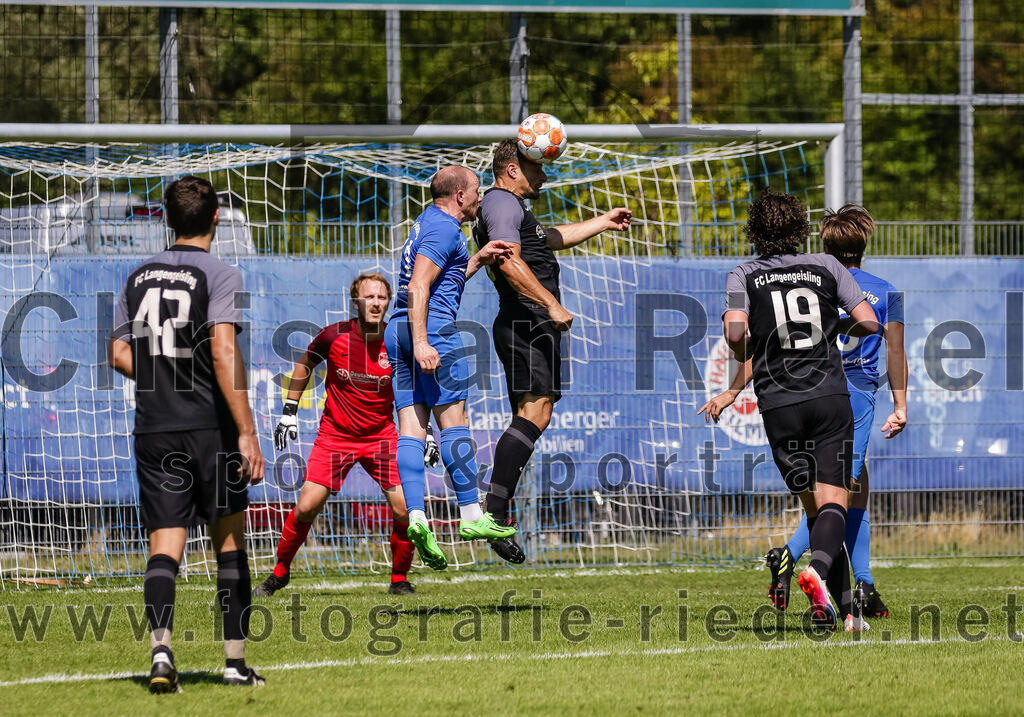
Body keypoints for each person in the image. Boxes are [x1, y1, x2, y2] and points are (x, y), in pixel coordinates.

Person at [701, 205, 907, 617]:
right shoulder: (839, 273)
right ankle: (812, 567)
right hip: (837, 397)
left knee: (819, 504)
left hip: (778, 402)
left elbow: (739, 335)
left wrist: (733, 382)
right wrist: (899, 401)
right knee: (839, 498)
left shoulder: (744, 274)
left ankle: (843, 610)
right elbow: (880, 334)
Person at [109, 175, 265, 692]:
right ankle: (235, 664)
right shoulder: (219, 273)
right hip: (209, 428)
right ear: (215, 219)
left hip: (155, 427)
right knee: (228, 543)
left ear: (168, 221)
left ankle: (160, 652)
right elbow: (223, 350)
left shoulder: (135, 277)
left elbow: (118, 355)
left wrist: (163, 376)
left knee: (165, 544)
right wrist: (246, 429)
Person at [473, 139, 632, 563]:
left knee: (530, 415)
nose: (543, 175)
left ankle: (497, 513)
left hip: (529, 322)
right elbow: (507, 260)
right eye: (537, 168)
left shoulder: (513, 209)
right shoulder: (502, 203)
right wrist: (550, 303)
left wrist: (602, 221)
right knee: (536, 413)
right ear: (511, 170)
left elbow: (551, 239)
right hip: (527, 320)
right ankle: (494, 512)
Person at [383, 165, 517, 570]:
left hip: (398, 328)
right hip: (431, 330)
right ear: (460, 195)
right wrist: (425, 341)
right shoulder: (445, 229)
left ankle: (419, 518)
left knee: (411, 427)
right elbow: (420, 285)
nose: (480, 196)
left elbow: (443, 277)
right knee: (455, 423)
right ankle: (473, 516)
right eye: (476, 190)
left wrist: (475, 258)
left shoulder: (427, 222)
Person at [254, 273, 418, 598]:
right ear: (355, 301)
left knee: (404, 509)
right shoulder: (334, 336)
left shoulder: (395, 340)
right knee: (305, 507)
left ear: (388, 303)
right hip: (336, 436)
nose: (375, 303)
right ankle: (280, 572)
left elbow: (412, 390)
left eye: (381, 298)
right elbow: (304, 365)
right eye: (369, 297)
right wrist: (289, 411)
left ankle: (399, 578)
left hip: (381, 437)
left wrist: (422, 434)